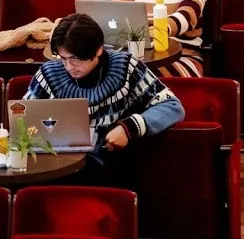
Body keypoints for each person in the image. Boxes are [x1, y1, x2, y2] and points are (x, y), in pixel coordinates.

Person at [25, 14, 185, 153]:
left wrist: (128, 128)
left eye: (76, 59)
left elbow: (172, 106)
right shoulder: (48, 73)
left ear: (98, 50)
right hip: (59, 159)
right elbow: (23, 120)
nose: (69, 67)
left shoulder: (126, 67)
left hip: (109, 160)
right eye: (63, 58)